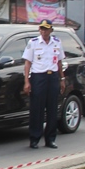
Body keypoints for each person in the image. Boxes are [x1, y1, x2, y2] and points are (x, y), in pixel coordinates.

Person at [23, 20, 66, 149]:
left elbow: (59, 62)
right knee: (37, 109)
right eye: (42, 29)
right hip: (38, 77)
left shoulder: (57, 43)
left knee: (52, 108)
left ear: (51, 30)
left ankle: (50, 139)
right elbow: (27, 63)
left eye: (46, 29)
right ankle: (35, 138)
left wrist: (62, 79)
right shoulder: (34, 43)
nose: (44, 31)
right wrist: (26, 81)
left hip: (52, 77)